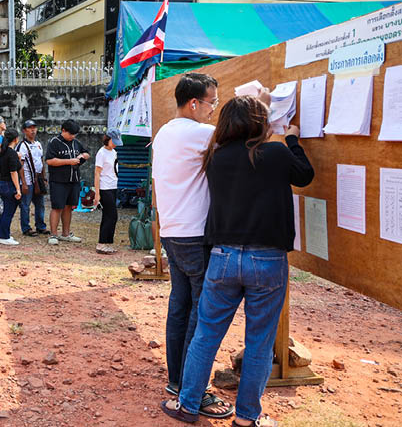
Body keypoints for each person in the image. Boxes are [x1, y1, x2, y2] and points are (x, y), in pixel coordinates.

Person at [161, 96, 314, 427]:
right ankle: (247, 418)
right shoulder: (275, 153)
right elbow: (305, 176)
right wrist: (291, 138)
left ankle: (187, 405)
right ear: (260, 122)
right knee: (259, 342)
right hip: (268, 260)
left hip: (223, 257)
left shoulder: (215, 158)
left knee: (206, 334)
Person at [152, 72, 232, 419]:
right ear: (194, 102)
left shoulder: (165, 132)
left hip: (172, 231)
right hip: (196, 234)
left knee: (180, 307)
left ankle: (178, 380)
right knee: (202, 314)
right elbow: (242, 142)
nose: (214, 109)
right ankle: (193, 391)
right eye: (212, 102)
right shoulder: (201, 134)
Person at [45, 119, 90, 245]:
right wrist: (69, 161)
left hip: (74, 179)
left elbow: (86, 153)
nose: (73, 137)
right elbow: (49, 160)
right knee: (57, 207)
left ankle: (66, 234)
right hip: (59, 180)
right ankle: (53, 234)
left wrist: (83, 156)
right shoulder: (54, 142)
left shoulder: (76, 142)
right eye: (71, 134)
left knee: (69, 207)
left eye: (75, 134)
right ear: (63, 130)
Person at [92, 129, 123, 254]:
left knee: (109, 216)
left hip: (113, 186)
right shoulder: (101, 153)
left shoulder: (114, 152)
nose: (115, 144)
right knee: (111, 216)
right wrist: (97, 193)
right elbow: (97, 173)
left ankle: (107, 243)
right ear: (107, 139)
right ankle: (101, 243)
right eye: (113, 141)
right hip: (105, 187)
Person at [16, 120, 48, 237]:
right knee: (25, 205)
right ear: (24, 130)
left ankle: (41, 226)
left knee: (40, 204)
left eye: (34, 127)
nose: (33, 130)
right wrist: (23, 183)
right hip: (28, 180)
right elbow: (20, 165)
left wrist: (43, 178)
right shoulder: (22, 146)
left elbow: (41, 161)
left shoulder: (38, 144)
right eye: (30, 128)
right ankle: (26, 228)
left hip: (38, 179)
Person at [0, 128, 23, 246]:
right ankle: (3, 236)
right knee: (8, 211)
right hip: (9, 184)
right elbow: (14, 172)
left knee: (6, 211)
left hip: (2, 183)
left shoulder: (4, 151)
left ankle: (1, 233)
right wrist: (18, 189)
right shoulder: (11, 153)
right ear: (16, 139)